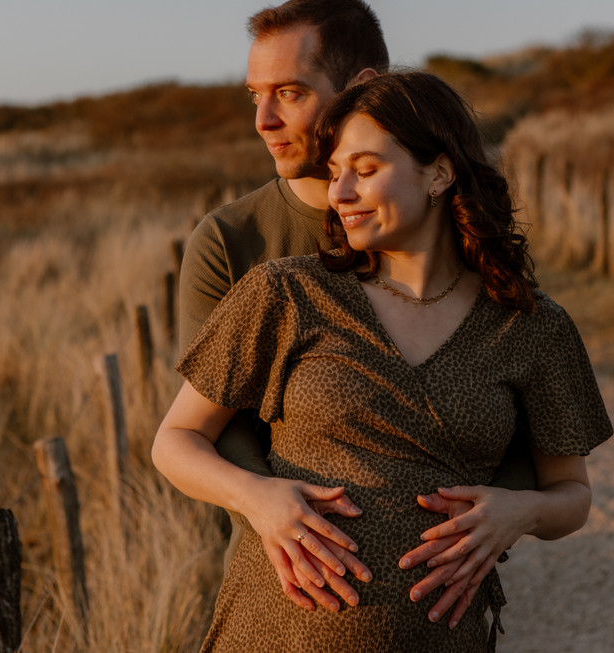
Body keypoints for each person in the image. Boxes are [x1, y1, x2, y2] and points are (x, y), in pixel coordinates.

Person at [155, 71, 613, 651]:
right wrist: (257, 497)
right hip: (273, 634)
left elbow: (572, 494)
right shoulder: (287, 293)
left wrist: (518, 512)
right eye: (335, 172)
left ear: (439, 173)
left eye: (366, 170)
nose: (340, 193)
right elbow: (175, 441)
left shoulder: (533, 326)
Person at [177, 0, 537, 617]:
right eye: (255, 95)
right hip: (290, 594)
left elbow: (526, 421)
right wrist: (272, 506)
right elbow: (209, 428)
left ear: (362, 88)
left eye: (289, 92)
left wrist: (496, 516)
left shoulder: (457, 235)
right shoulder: (231, 242)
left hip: (440, 605)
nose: (263, 120)